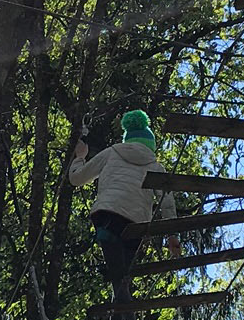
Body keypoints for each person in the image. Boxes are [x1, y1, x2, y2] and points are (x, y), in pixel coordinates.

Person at [68, 108, 177, 284]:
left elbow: (76, 178)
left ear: (128, 140)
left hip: (107, 214)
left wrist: (80, 157)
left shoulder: (112, 152)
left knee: (117, 273)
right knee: (123, 274)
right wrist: (172, 236)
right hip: (136, 224)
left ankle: (121, 304)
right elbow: (167, 203)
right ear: (151, 146)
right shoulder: (156, 167)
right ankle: (122, 306)